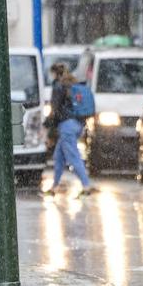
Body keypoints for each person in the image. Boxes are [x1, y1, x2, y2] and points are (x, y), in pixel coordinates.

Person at [44, 62, 95, 197]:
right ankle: (54, 187)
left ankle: (86, 185)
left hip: (66, 126)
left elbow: (55, 110)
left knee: (73, 157)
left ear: (54, 73)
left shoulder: (58, 85)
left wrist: (49, 131)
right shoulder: (72, 83)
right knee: (59, 157)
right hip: (77, 124)